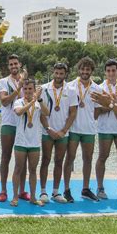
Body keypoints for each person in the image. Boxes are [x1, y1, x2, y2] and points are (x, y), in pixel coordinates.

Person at [63, 57, 101, 202]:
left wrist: (89, 119)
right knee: (70, 159)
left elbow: (97, 112)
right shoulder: (71, 86)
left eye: (88, 69)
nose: (85, 72)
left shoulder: (97, 88)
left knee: (88, 159)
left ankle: (85, 189)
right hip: (73, 129)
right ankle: (66, 189)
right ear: (79, 70)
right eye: (83, 69)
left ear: (91, 71)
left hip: (89, 130)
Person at [39, 63, 78, 203]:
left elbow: (73, 113)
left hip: (63, 134)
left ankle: (55, 192)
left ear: (65, 74)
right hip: (47, 131)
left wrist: (63, 131)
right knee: (45, 160)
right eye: (56, 73)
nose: (58, 76)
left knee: (59, 162)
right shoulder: (43, 89)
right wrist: (49, 128)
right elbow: (40, 112)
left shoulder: (72, 90)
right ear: (53, 72)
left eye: (61, 74)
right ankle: (43, 192)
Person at [10, 79, 50, 207]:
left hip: (34, 143)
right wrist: (32, 101)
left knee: (33, 170)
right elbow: (19, 112)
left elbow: (47, 113)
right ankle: (15, 197)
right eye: (25, 89)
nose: (27, 91)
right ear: (23, 90)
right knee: (18, 169)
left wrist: (39, 100)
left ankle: (33, 197)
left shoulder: (38, 103)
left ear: (34, 90)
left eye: (30, 89)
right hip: (21, 142)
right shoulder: (18, 102)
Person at [0, 54, 29, 202]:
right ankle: (3, 190)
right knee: (5, 157)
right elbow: (4, 101)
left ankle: (22, 190)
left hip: (23, 124)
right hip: (8, 124)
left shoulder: (26, 81)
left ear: (20, 64)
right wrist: (19, 88)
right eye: (11, 64)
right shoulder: (3, 82)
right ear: (8, 67)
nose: (13, 66)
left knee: (23, 159)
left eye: (16, 63)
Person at [94, 59, 117, 194]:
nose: (111, 73)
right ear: (105, 72)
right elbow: (96, 112)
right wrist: (113, 104)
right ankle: (100, 188)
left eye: (113, 70)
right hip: (105, 128)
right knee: (102, 157)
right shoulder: (99, 88)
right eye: (108, 71)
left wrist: (110, 103)